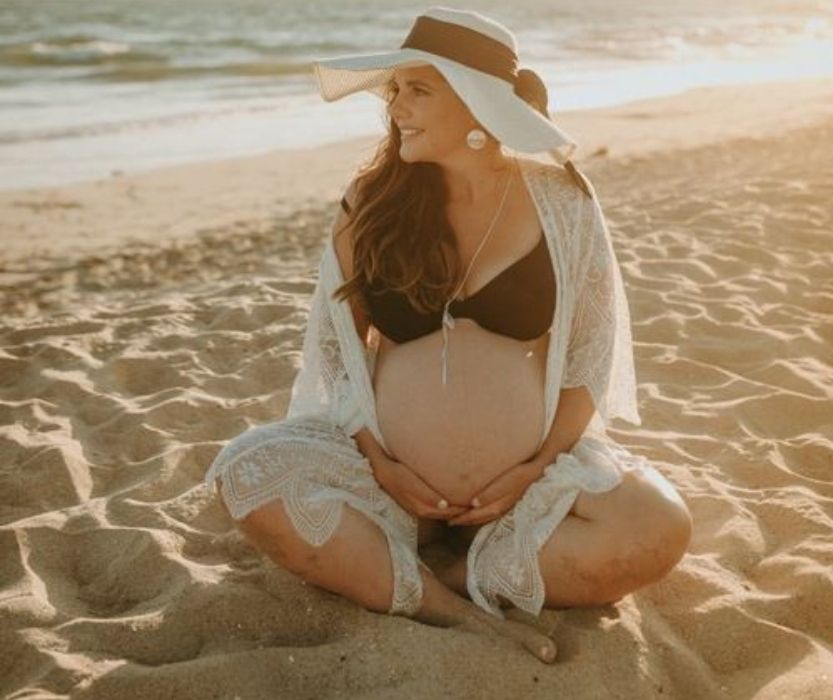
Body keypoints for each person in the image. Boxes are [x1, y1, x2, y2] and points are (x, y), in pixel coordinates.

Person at [203, 7, 692, 664]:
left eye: (417, 89)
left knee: (659, 528)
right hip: (389, 484)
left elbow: (588, 356)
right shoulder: (369, 203)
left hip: (526, 488)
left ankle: (458, 575)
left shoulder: (564, 204)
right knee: (247, 471)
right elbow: (335, 352)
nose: (395, 105)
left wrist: (532, 470)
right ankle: (452, 611)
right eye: (394, 90)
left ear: (475, 102)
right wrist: (382, 464)